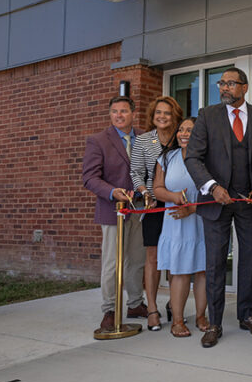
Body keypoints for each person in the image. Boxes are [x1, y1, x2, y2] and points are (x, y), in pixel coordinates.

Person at [185, 67, 252, 348]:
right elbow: (193, 158)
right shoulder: (207, 116)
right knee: (216, 262)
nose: (224, 88)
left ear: (245, 88)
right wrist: (211, 186)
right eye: (221, 83)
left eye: (231, 84)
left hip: (248, 202)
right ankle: (215, 322)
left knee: (248, 259)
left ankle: (247, 315)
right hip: (216, 201)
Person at [82, 95, 147, 330]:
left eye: (123, 111)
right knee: (112, 263)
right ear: (110, 115)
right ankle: (109, 310)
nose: (119, 115)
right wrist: (112, 192)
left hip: (140, 209)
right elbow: (89, 178)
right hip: (113, 211)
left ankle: (135, 303)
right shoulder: (98, 140)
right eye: (114, 111)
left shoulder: (144, 138)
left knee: (137, 260)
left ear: (132, 113)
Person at [153, 117, 209, 338]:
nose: (184, 133)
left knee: (203, 270)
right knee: (179, 271)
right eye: (181, 130)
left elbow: (216, 192)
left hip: (202, 219)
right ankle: (177, 320)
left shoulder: (208, 159)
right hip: (175, 222)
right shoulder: (166, 157)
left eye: (190, 130)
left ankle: (201, 317)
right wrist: (174, 196)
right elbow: (157, 189)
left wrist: (192, 208)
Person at [130, 96, 182, 331]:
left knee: (175, 258)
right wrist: (143, 192)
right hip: (153, 207)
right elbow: (136, 173)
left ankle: (175, 303)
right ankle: (152, 308)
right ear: (152, 116)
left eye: (167, 113)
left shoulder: (181, 138)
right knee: (153, 258)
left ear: (175, 116)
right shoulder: (142, 141)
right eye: (158, 113)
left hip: (178, 206)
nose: (162, 116)